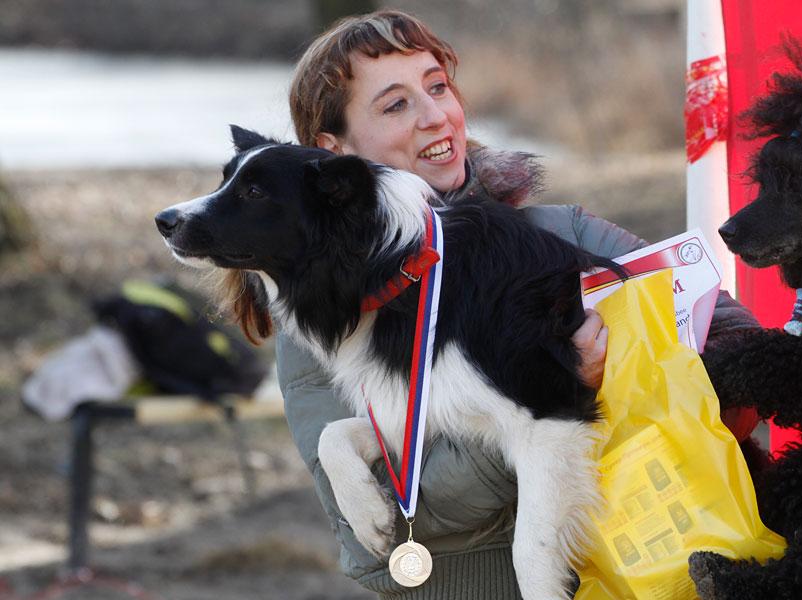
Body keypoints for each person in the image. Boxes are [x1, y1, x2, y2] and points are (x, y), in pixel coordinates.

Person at [274, 9, 758, 599]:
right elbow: (392, 516)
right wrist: (547, 390)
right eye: (396, 105)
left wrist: (633, 370)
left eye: (437, 87)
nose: (435, 116)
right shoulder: (321, 315)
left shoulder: (557, 233)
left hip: (641, 566)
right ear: (335, 151)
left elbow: (734, 334)